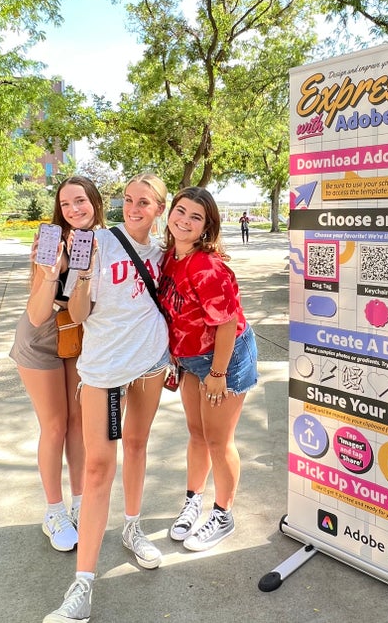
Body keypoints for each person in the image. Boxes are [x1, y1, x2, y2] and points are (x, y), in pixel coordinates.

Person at [44, 173, 170, 623]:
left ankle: (132, 528)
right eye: (129, 199)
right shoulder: (97, 241)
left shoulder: (164, 254)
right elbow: (77, 314)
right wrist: (75, 277)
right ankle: (82, 587)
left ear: (159, 208)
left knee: (137, 446)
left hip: (152, 363)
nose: (135, 208)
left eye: (145, 202)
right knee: (99, 467)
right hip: (103, 371)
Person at [158, 186, 258, 552]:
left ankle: (223, 514)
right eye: (180, 211)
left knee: (218, 439)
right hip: (190, 360)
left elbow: (227, 324)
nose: (184, 220)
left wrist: (217, 374)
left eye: (195, 217)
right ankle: (193, 500)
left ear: (206, 227)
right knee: (196, 432)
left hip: (223, 359)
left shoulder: (208, 268)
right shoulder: (171, 257)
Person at [10, 176, 106, 553]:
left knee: (79, 423)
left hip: (80, 339)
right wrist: (50, 274)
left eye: (80, 201)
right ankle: (53, 510)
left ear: (95, 202)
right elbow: (35, 315)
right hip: (42, 341)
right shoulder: (50, 246)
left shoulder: (106, 242)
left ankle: (81, 501)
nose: (73, 210)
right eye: (65, 205)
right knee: (54, 425)